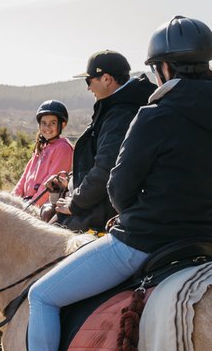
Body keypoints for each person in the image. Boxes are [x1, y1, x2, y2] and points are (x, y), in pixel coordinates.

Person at [0, 16, 212, 351]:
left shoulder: (154, 116)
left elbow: (119, 190)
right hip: (204, 244)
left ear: (163, 67)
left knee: (43, 296)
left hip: (143, 243)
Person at [52, 50, 156, 232]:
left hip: (102, 212)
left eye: (89, 81)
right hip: (97, 203)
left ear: (107, 79)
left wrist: (76, 204)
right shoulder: (117, 108)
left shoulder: (121, 114)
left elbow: (105, 169)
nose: (88, 88)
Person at [13, 99, 73, 209]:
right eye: (43, 123)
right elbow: (24, 178)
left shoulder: (63, 148)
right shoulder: (41, 147)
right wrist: (12, 199)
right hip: (27, 202)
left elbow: (50, 184)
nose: (47, 127)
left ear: (63, 124)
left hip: (44, 206)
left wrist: (31, 206)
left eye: (53, 123)